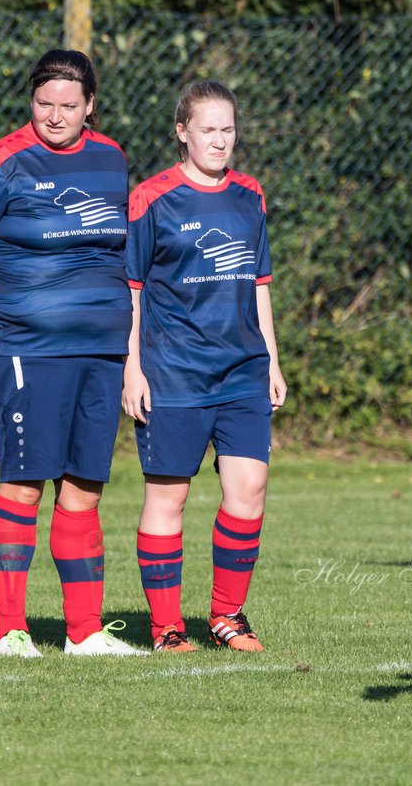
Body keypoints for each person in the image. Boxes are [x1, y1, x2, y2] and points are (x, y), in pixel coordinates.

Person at [0, 49, 145, 657]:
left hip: (103, 349)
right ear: (30, 102)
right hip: (29, 348)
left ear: (90, 106)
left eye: (67, 105)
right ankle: (10, 630)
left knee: (85, 487)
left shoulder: (112, 159)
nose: (54, 116)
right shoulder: (1, 161)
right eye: (43, 104)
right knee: (25, 482)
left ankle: (84, 633)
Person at [121, 80, 287, 653]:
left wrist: (271, 359)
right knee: (169, 496)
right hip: (173, 372)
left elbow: (259, 283)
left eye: (228, 129)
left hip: (242, 369)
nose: (220, 141)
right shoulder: (151, 198)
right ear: (182, 132)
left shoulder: (250, 195)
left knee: (250, 487)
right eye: (208, 129)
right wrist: (132, 368)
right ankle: (167, 626)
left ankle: (226, 617)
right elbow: (133, 291)